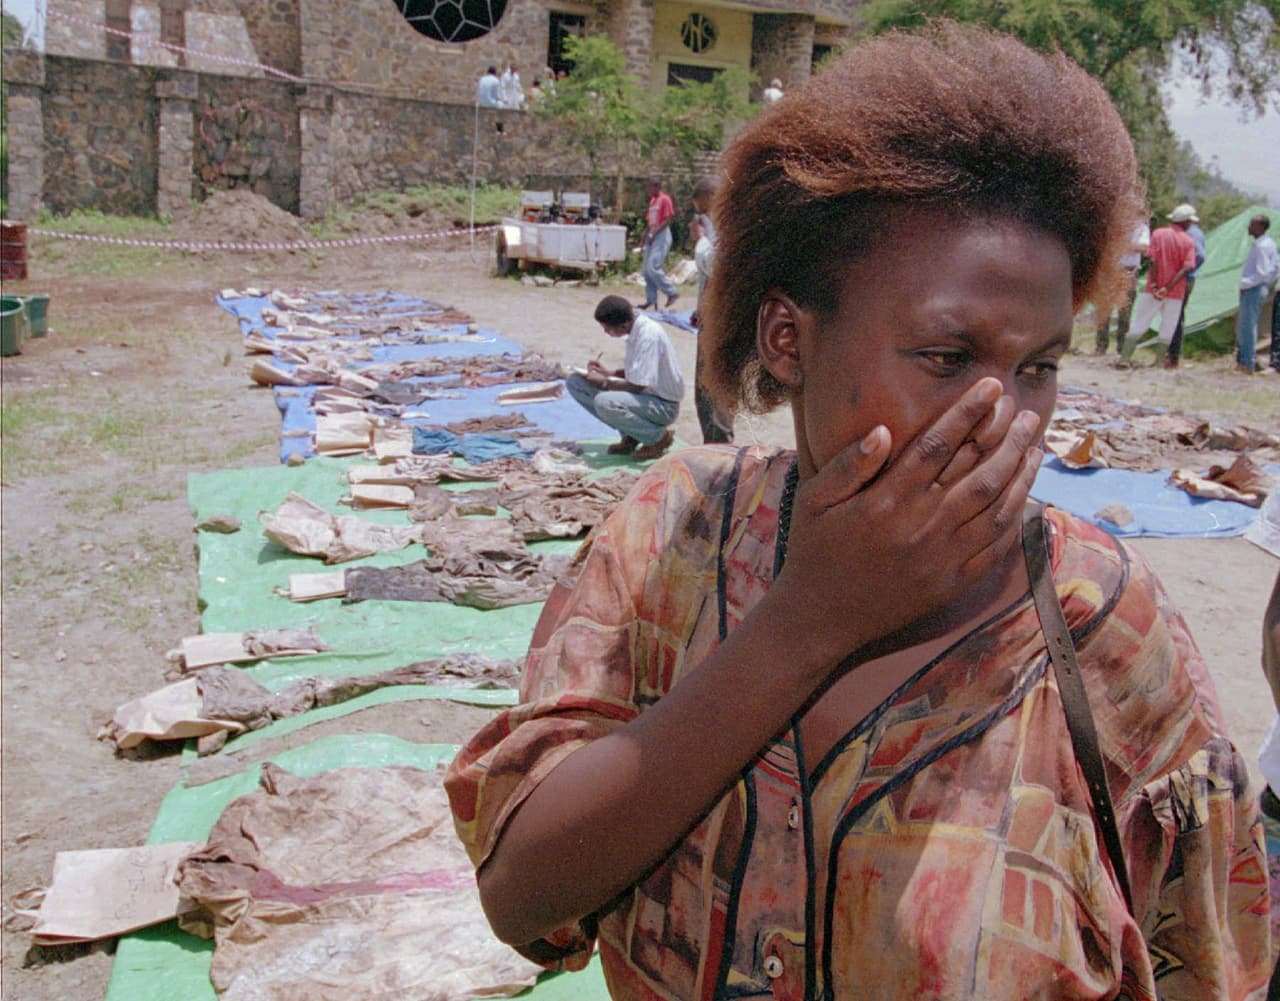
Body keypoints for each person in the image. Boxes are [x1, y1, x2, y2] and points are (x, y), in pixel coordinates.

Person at [448, 23, 1268, 1001]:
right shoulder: (669, 537)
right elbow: (522, 893)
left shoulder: (1104, 628)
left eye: (1037, 366)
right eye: (944, 357)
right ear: (788, 339)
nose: (999, 418)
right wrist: (808, 618)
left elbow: (1212, 962)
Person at [564, 294, 684, 460]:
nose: (605, 332)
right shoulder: (635, 329)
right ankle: (631, 434)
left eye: (607, 328)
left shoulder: (648, 335)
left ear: (624, 324)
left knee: (605, 402)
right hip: (645, 397)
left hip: (662, 406)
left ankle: (657, 439)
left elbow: (638, 385)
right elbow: (637, 372)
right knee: (575, 382)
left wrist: (604, 383)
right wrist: (608, 374)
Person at [1120, 204, 1198, 364]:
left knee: (1140, 322)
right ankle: (1158, 362)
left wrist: (1156, 285)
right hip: (1175, 292)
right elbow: (1186, 268)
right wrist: (1167, 288)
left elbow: (1153, 260)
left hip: (1151, 289)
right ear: (1185, 222)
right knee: (1168, 326)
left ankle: (1125, 358)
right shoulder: (1189, 241)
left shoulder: (1158, 234)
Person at [689, 175, 733, 444]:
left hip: (721, 316)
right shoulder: (718, 223)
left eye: (704, 209)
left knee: (713, 388)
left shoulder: (729, 225)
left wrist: (700, 240)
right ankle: (714, 444)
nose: (703, 216)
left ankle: (721, 449)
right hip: (711, 312)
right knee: (704, 389)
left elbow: (716, 265)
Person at [1094, 220, 1149, 355]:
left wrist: (1122, 245)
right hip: (1111, 270)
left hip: (1129, 271)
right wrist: (1130, 246)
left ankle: (1121, 347)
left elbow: (1144, 247)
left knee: (1125, 311)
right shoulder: (1114, 223)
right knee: (1104, 308)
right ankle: (1101, 346)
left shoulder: (1141, 227)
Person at [1164, 204, 1205, 369]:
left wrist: (1184, 270)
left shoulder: (1192, 234)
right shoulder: (1192, 233)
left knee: (1176, 316)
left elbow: (1200, 256)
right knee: (1173, 315)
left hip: (1184, 279)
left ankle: (1173, 356)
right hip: (1181, 278)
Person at [1236, 213, 1278, 374]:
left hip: (1254, 289)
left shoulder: (1262, 246)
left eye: (1252, 224)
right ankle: (1243, 361)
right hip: (1258, 288)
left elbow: (1263, 272)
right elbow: (1274, 269)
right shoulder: (1268, 244)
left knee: (1247, 326)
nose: (1249, 227)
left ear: (1260, 227)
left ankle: (1247, 363)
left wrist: (1245, 284)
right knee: (1246, 325)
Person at [639, 175, 679, 311]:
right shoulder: (653, 201)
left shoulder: (664, 199)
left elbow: (669, 219)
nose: (648, 190)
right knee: (646, 270)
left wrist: (654, 233)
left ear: (656, 186)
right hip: (652, 234)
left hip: (661, 234)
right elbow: (650, 222)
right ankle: (651, 300)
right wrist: (644, 236)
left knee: (653, 267)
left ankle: (672, 292)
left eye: (650, 187)